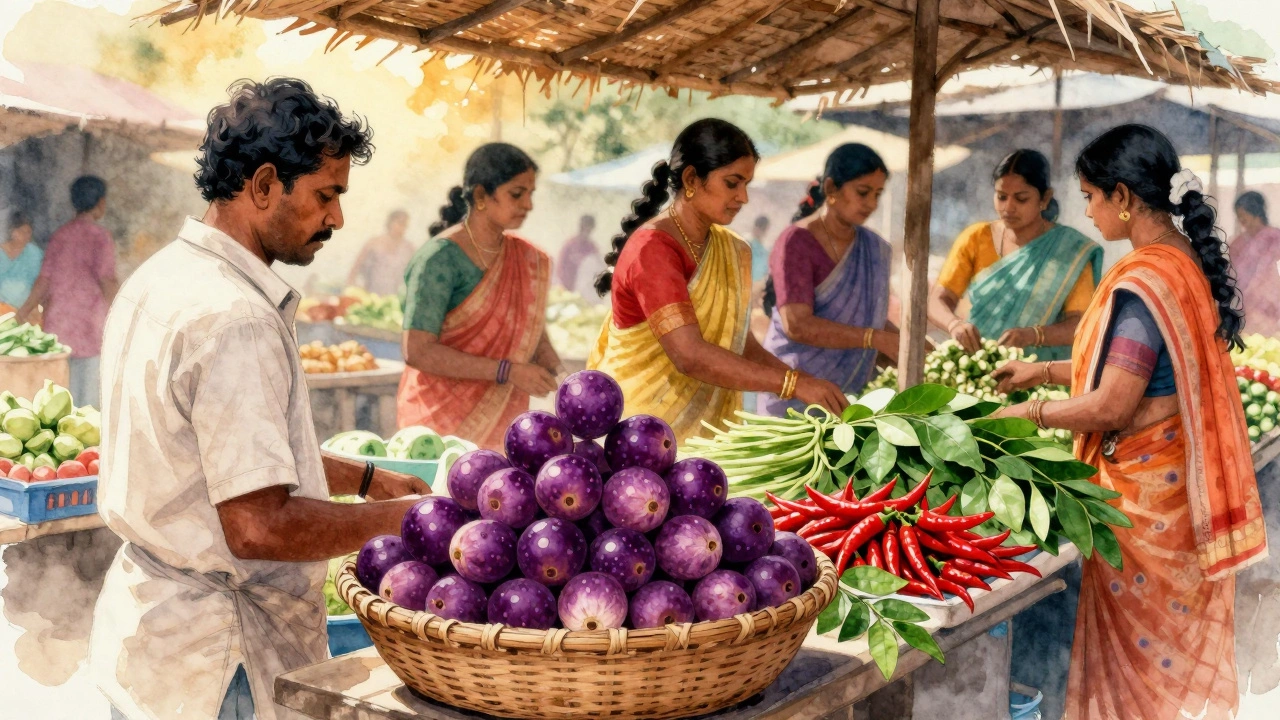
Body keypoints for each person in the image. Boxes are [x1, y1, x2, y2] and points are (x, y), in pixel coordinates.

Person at [89, 78, 429, 720]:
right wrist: (410, 519)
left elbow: (220, 452)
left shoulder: (160, 278)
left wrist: (363, 477)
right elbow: (256, 524)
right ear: (266, 184)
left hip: (151, 637)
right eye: (326, 195)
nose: (337, 218)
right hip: (219, 665)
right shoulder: (234, 319)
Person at [992, 125, 1267, 720]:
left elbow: (1114, 405)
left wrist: (1026, 413)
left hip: (1143, 510)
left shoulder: (1146, 282)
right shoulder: (1181, 262)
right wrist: (1041, 374)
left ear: (1121, 196)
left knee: (1136, 684)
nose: (1088, 212)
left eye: (1090, 196)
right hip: (1172, 493)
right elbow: (1132, 370)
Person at [589, 119, 847, 442]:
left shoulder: (734, 249)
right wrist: (792, 384)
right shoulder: (652, 248)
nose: (744, 197)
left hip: (704, 444)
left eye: (746, 185)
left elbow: (741, 346)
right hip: (638, 436)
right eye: (733, 183)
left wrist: (804, 382)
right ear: (692, 179)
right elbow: (689, 356)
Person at [398, 143, 560, 450]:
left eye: (531, 194)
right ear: (481, 196)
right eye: (517, 193)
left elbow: (530, 330)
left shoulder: (526, 258)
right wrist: (507, 371)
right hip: (437, 426)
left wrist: (561, 375)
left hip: (502, 424)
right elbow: (417, 351)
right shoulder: (439, 259)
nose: (528, 205)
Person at [760, 144, 900, 416]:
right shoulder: (796, 242)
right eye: (863, 192)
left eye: (878, 194)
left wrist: (909, 344)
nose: (871, 204)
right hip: (794, 391)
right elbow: (797, 324)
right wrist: (874, 339)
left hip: (851, 397)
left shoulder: (874, 248)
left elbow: (868, 319)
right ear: (832, 188)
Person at [928, 149, 1102, 360]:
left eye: (1021, 199)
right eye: (1001, 197)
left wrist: (1033, 335)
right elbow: (937, 300)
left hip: (1041, 374)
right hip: (978, 365)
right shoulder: (976, 238)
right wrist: (954, 324)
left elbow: (1080, 324)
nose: (1008, 207)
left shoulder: (1069, 249)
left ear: (1045, 199)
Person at [17, 176, 119, 406]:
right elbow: (107, 281)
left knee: (60, 397)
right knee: (89, 400)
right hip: (89, 327)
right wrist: (124, 312)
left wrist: (23, 311)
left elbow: (44, 279)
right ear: (101, 202)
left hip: (58, 327)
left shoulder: (60, 236)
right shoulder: (100, 237)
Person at [1231, 191, 1280, 337]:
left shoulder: (1274, 238)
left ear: (1255, 212)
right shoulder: (1238, 243)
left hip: (1270, 310)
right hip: (1244, 311)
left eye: (1243, 214)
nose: (1240, 219)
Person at [346, 209, 415, 295]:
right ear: (390, 222)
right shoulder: (373, 243)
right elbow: (354, 270)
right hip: (371, 296)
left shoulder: (409, 248)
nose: (402, 228)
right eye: (399, 223)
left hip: (396, 299)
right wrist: (351, 291)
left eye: (405, 225)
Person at [557, 214, 604, 300]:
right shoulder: (570, 245)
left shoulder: (592, 248)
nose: (587, 230)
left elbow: (599, 268)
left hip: (585, 294)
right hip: (567, 290)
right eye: (585, 227)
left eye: (589, 228)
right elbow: (560, 267)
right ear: (581, 226)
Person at [0, 210, 41, 311]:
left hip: (27, 310)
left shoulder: (34, 253)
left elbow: (39, 284)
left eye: (28, 232)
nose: (26, 236)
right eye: (22, 232)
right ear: (12, 231)